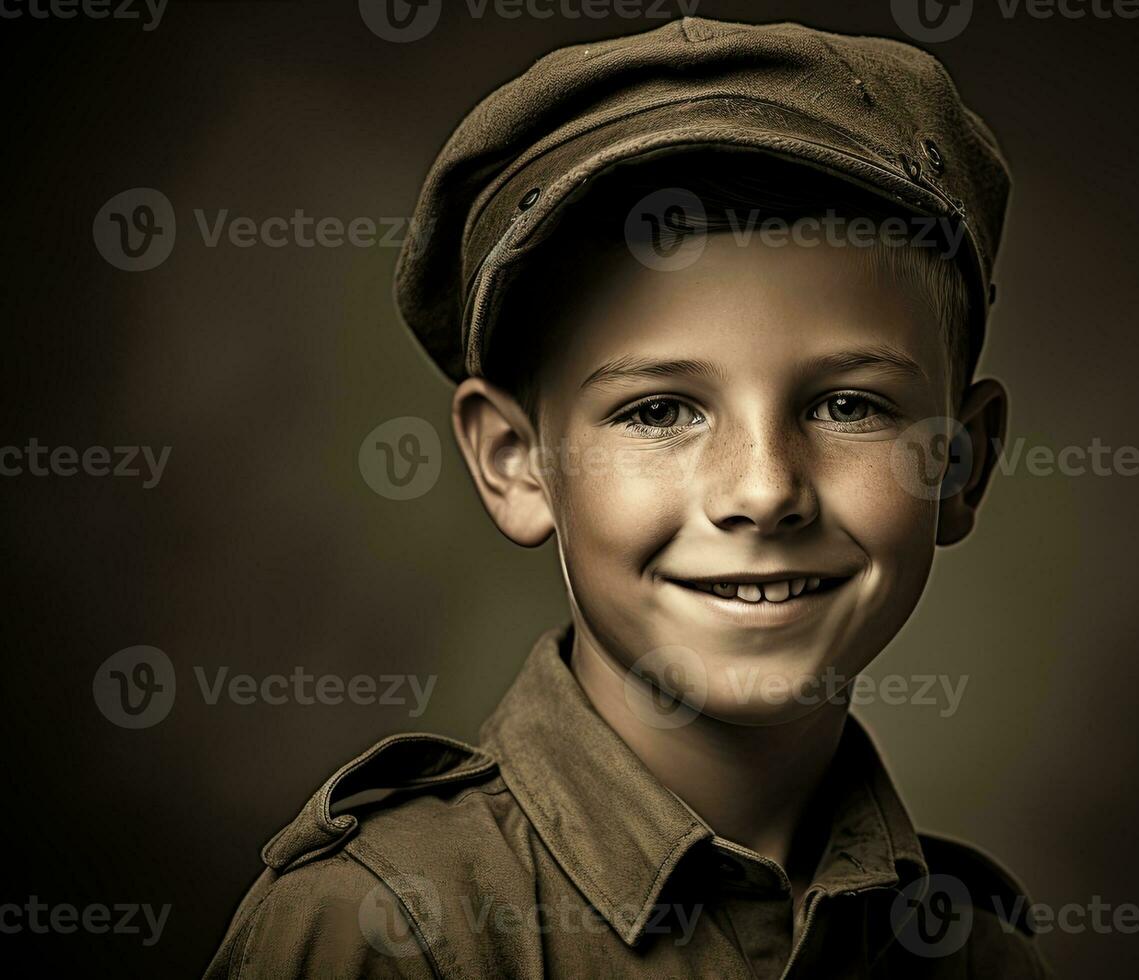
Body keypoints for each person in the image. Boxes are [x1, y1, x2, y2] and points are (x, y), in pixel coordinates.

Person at [205, 16, 1049, 978]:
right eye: (658, 412)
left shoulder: (976, 954)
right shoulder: (383, 931)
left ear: (963, 463)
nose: (764, 491)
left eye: (849, 404)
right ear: (517, 462)